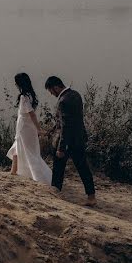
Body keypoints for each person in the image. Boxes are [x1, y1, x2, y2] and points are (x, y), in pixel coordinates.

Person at [44, 76, 97, 206]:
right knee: (83, 167)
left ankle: (55, 193)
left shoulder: (62, 101)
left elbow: (65, 126)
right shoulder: (76, 95)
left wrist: (61, 148)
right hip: (78, 138)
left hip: (66, 140)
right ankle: (91, 196)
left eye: (51, 91)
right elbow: (74, 120)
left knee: (58, 168)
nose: (52, 94)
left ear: (56, 87)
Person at [6, 73, 53, 184]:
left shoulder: (24, 97)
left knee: (29, 152)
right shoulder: (30, 95)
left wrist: (39, 129)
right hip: (26, 125)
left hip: (25, 127)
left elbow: (31, 114)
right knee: (18, 146)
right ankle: (13, 170)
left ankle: (39, 176)